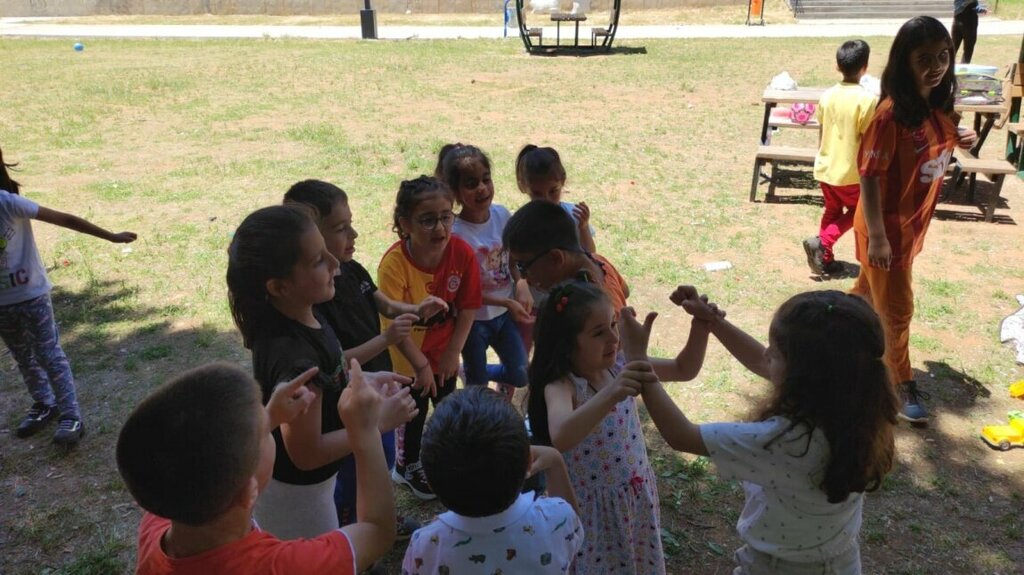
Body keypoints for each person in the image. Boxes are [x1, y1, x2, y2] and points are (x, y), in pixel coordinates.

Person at [624, 288, 898, 575]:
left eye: (776, 353)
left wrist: (638, 360)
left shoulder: (786, 442)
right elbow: (761, 361)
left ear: (801, 376)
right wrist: (714, 323)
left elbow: (681, 435)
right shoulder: (859, 407)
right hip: (842, 564)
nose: (767, 354)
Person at [226, 204, 416, 538]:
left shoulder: (305, 313)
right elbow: (306, 454)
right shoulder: (297, 361)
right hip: (299, 498)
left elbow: (331, 373)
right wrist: (377, 423)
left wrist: (364, 380)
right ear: (279, 286)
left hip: (315, 488)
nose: (334, 264)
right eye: (318, 261)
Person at [117, 360, 398, 574]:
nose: (269, 427)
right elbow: (377, 530)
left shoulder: (157, 521)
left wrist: (270, 416)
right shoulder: (283, 566)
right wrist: (365, 432)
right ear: (249, 492)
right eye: (265, 433)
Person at [282, 180, 447, 538]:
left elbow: (381, 302)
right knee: (355, 468)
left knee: (382, 457)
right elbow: (336, 361)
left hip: (377, 385)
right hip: (350, 398)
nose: (353, 233)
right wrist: (386, 339)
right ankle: (350, 527)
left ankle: (377, 513)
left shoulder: (352, 269)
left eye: (350, 223)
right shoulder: (316, 295)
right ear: (309, 236)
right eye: (341, 229)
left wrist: (414, 309)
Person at [853, 16, 977, 423]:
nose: (936, 66)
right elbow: (869, 177)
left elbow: (934, 145)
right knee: (898, 310)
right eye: (924, 58)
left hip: (909, 228)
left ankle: (822, 336)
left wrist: (961, 138)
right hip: (886, 232)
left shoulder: (936, 105)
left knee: (867, 296)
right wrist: (878, 237)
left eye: (943, 56)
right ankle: (900, 381)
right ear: (903, 61)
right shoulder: (889, 118)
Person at [0, 144, 136, 446]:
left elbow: (66, 220)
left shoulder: (8, 203)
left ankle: (70, 416)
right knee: (23, 356)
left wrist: (111, 236)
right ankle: (44, 404)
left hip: (31, 294)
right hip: (2, 305)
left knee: (49, 355)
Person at [526, 280, 665, 574]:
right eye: (599, 332)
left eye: (613, 325)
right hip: (591, 512)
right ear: (566, 343)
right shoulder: (561, 385)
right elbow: (561, 435)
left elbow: (685, 368)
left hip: (633, 499)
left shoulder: (619, 366)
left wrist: (703, 325)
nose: (613, 338)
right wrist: (611, 393)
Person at [504, 200, 708, 382]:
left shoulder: (580, 309)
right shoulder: (600, 262)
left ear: (556, 258)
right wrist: (703, 322)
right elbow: (625, 291)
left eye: (523, 265)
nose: (525, 277)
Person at [378, 175, 483, 500]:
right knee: (414, 410)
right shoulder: (393, 266)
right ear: (404, 224)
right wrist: (420, 364)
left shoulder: (462, 254)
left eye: (446, 217)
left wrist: (453, 352)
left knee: (448, 405)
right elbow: (392, 326)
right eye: (427, 220)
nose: (439, 228)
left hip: (444, 354)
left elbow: (467, 308)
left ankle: (450, 457)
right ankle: (407, 466)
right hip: (408, 358)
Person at [403, 386, 584, 574]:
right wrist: (555, 462)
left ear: (430, 483)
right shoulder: (556, 519)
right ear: (529, 463)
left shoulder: (425, 546)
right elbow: (575, 530)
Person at [436, 143, 531, 401]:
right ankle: (479, 421)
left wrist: (520, 282)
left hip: (503, 316)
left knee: (521, 373)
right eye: (471, 183)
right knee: (477, 386)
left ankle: (467, 371)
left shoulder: (502, 215)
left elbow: (513, 259)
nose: (481, 188)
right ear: (455, 192)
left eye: (486, 180)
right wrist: (506, 300)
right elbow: (462, 292)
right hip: (472, 322)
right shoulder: (455, 233)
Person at [803, 40, 878, 276]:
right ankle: (823, 243)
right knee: (861, 212)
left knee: (832, 211)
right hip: (851, 173)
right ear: (865, 67)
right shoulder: (867, 100)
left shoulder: (826, 96)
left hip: (826, 167)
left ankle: (824, 259)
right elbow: (869, 140)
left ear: (837, 66)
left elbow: (822, 131)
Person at [515, 144, 596, 253]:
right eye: (537, 193)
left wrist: (584, 227)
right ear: (523, 187)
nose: (546, 199)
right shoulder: (523, 224)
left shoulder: (574, 216)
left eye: (553, 191)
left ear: (562, 181)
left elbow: (591, 255)